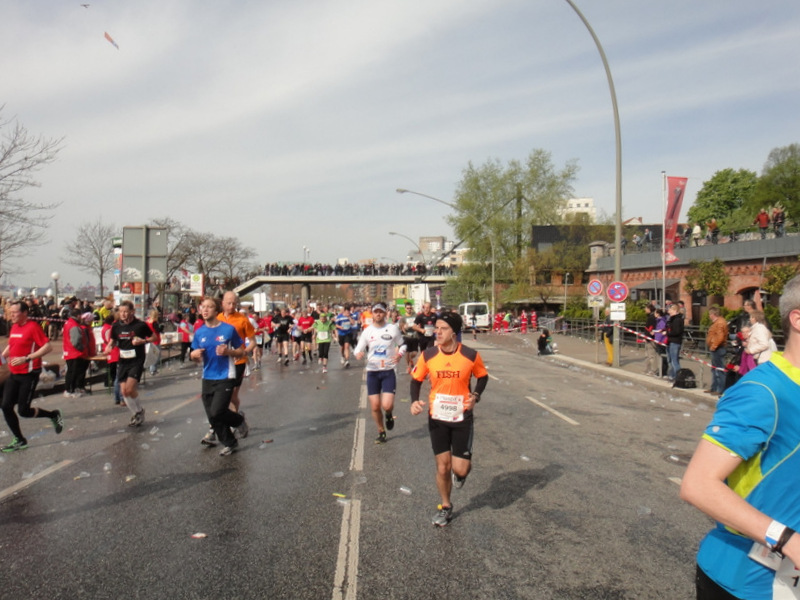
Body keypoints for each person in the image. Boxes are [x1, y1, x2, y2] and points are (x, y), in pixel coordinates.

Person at [680, 273, 800, 600]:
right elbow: (698, 485)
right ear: (798, 318)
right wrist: (788, 540)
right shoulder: (763, 392)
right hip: (749, 582)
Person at [409, 312, 488, 527]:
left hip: (462, 417)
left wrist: (475, 396)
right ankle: (446, 506)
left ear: (454, 332)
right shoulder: (428, 355)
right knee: (442, 467)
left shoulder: (470, 355)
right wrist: (414, 401)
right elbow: (416, 379)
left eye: (443, 328)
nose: (438, 331)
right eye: (437, 327)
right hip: (437, 417)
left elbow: (482, 377)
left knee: (460, 468)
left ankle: (460, 476)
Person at [190, 297, 249, 456]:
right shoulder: (199, 332)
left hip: (225, 375)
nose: (205, 310)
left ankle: (238, 421)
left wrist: (228, 352)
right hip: (207, 377)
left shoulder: (228, 330)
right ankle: (230, 442)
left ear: (217, 311)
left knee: (217, 411)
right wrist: (193, 355)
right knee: (212, 417)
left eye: (209, 307)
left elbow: (241, 351)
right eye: (203, 307)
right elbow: (194, 354)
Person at [1, 301, 63, 452]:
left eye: (15, 312)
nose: (11, 315)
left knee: (24, 411)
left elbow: (47, 346)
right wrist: (2, 356)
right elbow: (13, 344)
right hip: (14, 373)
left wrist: (27, 358)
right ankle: (20, 440)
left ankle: (53, 415)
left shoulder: (33, 327)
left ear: (24, 313)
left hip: (29, 374)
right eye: (11, 312)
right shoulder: (15, 326)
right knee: (5, 406)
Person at [354, 302, 406, 444]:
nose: (378, 314)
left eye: (381, 312)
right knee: (375, 406)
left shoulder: (392, 329)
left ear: (385, 313)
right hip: (373, 372)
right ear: (372, 314)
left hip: (388, 371)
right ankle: (381, 431)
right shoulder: (367, 331)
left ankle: (389, 414)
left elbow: (403, 344)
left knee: (387, 405)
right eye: (375, 312)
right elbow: (358, 348)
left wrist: (400, 354)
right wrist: (357, 354)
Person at [105, 300, 155, 427]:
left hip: (136, 360)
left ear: (132, 312)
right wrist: (109, 347)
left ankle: (138, 413)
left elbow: (154, 337)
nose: (123, 314)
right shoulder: (116, 326)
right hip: (122, 360)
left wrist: (143, 341)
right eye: (121, 311)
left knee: (130, 388)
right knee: (124, 392)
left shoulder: (140, 325)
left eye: (126, 312)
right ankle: (138, 412)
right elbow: (113, 340)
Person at [62, 307, 89, 398]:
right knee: (73, 372)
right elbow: (76, 340)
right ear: (78, 316)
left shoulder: (68, 323)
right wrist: (81, 348)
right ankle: (70, 390)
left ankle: (69, 389)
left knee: (70, 372)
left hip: (68, 351)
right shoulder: (74, 325)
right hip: (74, 352)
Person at [704, 306, 728, 396]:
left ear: (713, 314)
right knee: (714, 369)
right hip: (716, 348)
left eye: (710, 314)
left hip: (719, 348)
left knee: (719, 369)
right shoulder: (717, 322)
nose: (709, 316)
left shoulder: (720, 323)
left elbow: (720, 336)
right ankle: (714, 387)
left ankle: (720, 389)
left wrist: (714, 346)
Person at [666, 302, 684, 382]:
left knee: (674, 361)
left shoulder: (677, 319)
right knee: (671, 360)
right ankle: (672, 375)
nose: (668, 311)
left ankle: (678, 377)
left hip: (675, 342)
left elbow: (676, 332)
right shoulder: (673, 319)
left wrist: (667, 333)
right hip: (672, 341)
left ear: (675, 310)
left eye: (670, 310)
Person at [643, 304, 659, 376]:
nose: (645, 310)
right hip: (648, 338)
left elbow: (651, 329)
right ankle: (647, 369)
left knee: (651, 355)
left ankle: (654, 370)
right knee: (648, 355)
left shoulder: (651, 318)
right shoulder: (650, 317)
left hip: (650, 339)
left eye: (646, 308)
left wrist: (648, 337)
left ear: (649, 309)